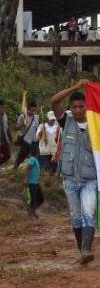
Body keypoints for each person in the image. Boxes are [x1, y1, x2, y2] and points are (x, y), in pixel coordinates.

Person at [51, 80, 96, 264]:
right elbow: (54, 101)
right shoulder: (65, 121)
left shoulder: (96, 124)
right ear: (70, 108)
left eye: (81, 106)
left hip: (90, 179)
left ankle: (86, 250)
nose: (77, 110)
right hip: (69, 179)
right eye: (74, 107)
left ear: (87, 106)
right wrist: (75, 88)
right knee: (76, 217)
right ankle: (82, 251)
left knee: (88, 213)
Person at [13, 101, 40, 170]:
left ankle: (31, 170)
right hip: (25, 140)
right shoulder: (22, 116)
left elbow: (37, 128)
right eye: (31, 110)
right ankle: (15, 168)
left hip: (34, 140)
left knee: (34, 156)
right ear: (28, 109)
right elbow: (16, 128)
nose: (33, 112)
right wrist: (22, 124)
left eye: (34, 110)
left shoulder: (36, 117)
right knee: (21, 156)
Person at [23, 146, 43, 219]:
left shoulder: (35, 159)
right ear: (37, 152)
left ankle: (32, 211)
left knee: (40, 199)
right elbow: (28, 168)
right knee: (33, 199)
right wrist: (26, 179)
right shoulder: (32, 159)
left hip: (36, 183)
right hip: (31, 183)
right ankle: (30, 214)